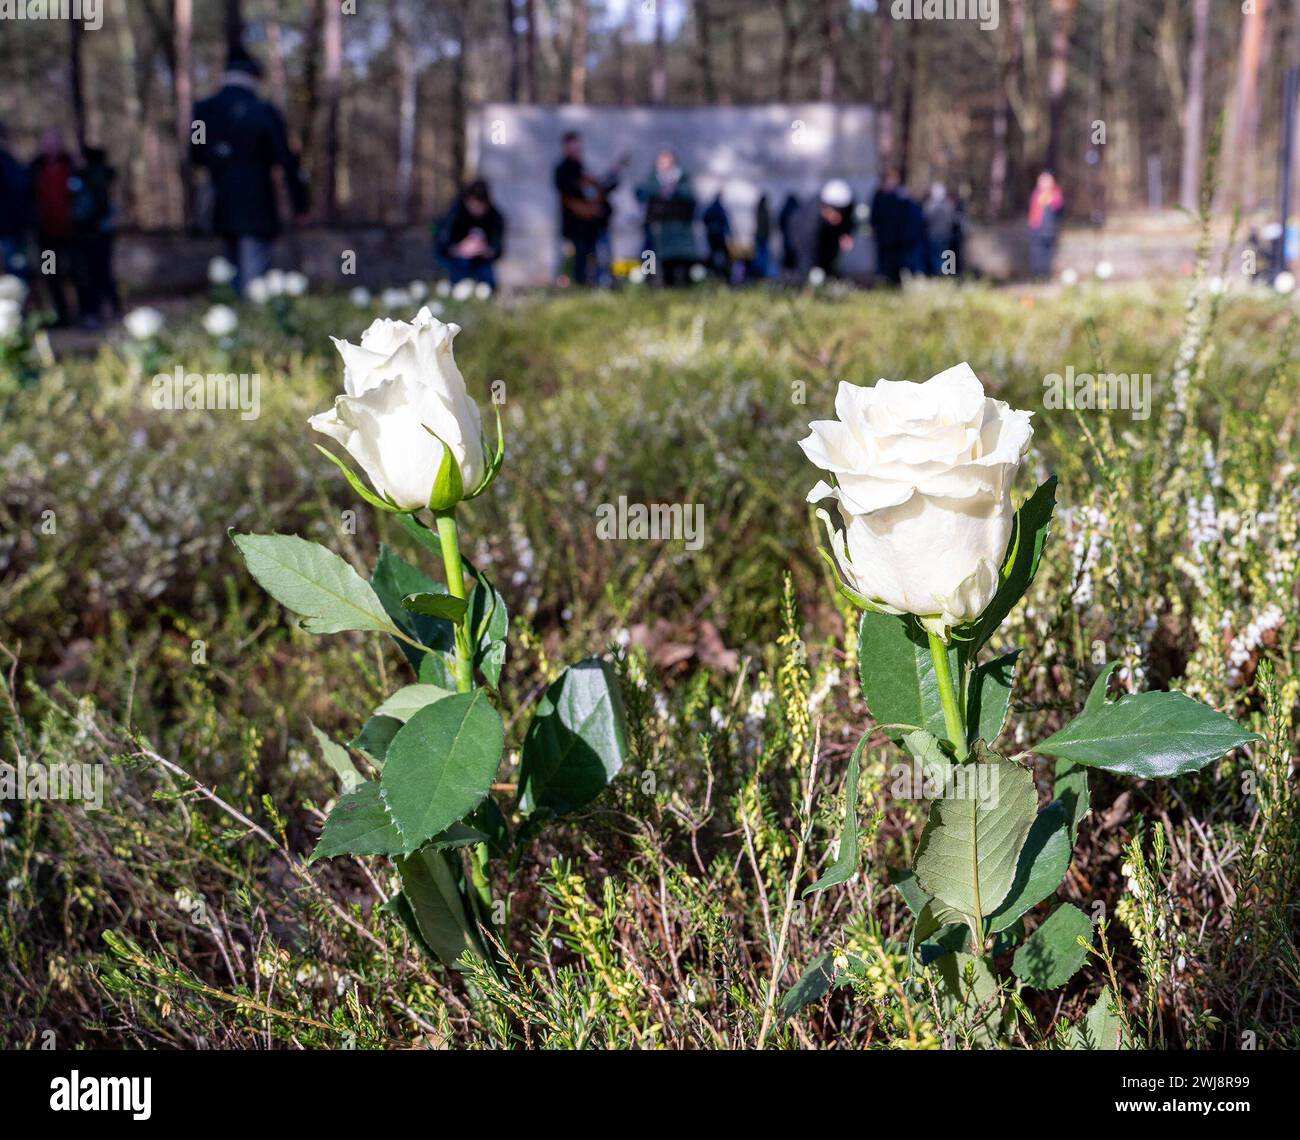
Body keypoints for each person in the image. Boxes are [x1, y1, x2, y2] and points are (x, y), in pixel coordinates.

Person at [191, 46, 308, 296]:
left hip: (222, 202)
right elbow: (286, 161)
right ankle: (252, 327)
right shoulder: (265, 111)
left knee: (229, 274)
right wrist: (300, 204)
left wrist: (220, 156)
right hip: (257, 202)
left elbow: (196, 154)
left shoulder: (202, 111)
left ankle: (233, 324)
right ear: (254, 79)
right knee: (255, 284)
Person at [30, 128, 78, 326]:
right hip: (46, 237)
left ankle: (85, 313)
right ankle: (59, 314)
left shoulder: (72, 168)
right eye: (47, 144)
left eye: (55, 143)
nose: (51, 148)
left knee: (76, 273)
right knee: (50, 275)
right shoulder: (34, 170)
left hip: (72, 235)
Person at [71, 146, 120, 326]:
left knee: (97, 273)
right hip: (91, 233)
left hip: (95, 233)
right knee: (100, 273)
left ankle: (105, 311)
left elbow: (99, 207)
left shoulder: (92, 178)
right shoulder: (97, 177)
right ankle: (106, 310)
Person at [637, 149, 698, 287]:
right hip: (655, 226)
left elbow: (690, 197)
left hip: (676, 227)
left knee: (677, 259)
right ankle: (649, 282)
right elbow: (641, 194)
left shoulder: (683, 180)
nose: (664, 165)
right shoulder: (652, 180)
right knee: (649, 255)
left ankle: (679, 284)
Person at [553, 131, 606, 287]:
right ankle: (574, 283)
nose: (576, 150)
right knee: (574, 257)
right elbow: (566, 189)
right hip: (573, 224)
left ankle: (587, 283)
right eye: (573, 146)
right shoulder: (562, 169)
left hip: (588, 225)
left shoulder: (582, 167)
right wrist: (582, 183)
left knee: (589, 256)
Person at [434, 179, 505, 288]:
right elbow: (442, 244)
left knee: (487, 281)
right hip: (454, 260)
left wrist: (486, 250)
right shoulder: (455, 212)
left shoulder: (495, 217)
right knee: (459, 277)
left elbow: (498, 249)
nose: (477, 209)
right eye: (474, 204)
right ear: (467, 201)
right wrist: (459, 249)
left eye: (481, 205)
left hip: (481, 261)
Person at [0, 121, 31, 280]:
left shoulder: (9, 164)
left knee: (49, 265)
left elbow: (20, 194)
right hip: (13, 231)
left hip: (12, 231)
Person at [870, 170, 909, 285]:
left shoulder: (899, 196)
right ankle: (886, 280)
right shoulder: (879, 195)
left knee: (897, 260)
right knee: (885, 260)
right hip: (884, 235)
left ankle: (896, 280)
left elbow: (905, 216)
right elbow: (874, 215)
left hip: (897, 236)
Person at [813, 179, 855, 278]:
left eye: (841, 211)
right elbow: (807, 257)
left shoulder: (847, 209)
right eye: (835, 211)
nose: (839, 217)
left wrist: (847, 233)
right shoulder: (810, 223)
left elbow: (848, 222)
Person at [1027, 170, 1064, 280]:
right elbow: (1032, 211)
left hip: (1049, 229)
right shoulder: (1036, 194)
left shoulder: (1056, 194)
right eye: (1042, 181)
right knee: (1036, 252)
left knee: (1047, 253)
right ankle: (1036, 275)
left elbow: (1059, 208)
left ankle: (1045, 275)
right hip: (1037, 229)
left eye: (1047, 181)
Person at [922, 181, 959, 277]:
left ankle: (938, 274)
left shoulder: (929, 205)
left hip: (934, 234)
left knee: (936, 255)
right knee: (944, 254)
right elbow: (953, 220)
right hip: (945, 234)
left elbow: (925, 219)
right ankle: (943, 274)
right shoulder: (949, 205)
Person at [702, 192, 731, 280]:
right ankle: (723, 273)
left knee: (713, 253)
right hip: (719, 236)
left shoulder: (710, 208)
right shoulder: (720, 208)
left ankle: (711, 272)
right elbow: (725, 221)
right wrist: (729, 233)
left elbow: (704, 219)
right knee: (724, 254)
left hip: (711, 235)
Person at [778, 192, 800, 272]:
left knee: (787, 253)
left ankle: (787, 271)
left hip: (787, 236)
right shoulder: (797, 208)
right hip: (795, 237)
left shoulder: (785, 209)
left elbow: (780, 221)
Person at [753, 193, 772, 279]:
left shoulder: (758, 210)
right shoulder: (764, 211)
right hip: (763, 236)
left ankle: (759, 271)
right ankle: (761, 271)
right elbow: (766, 225)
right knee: (762, 255)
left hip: (760, 236)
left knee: (760, 254)